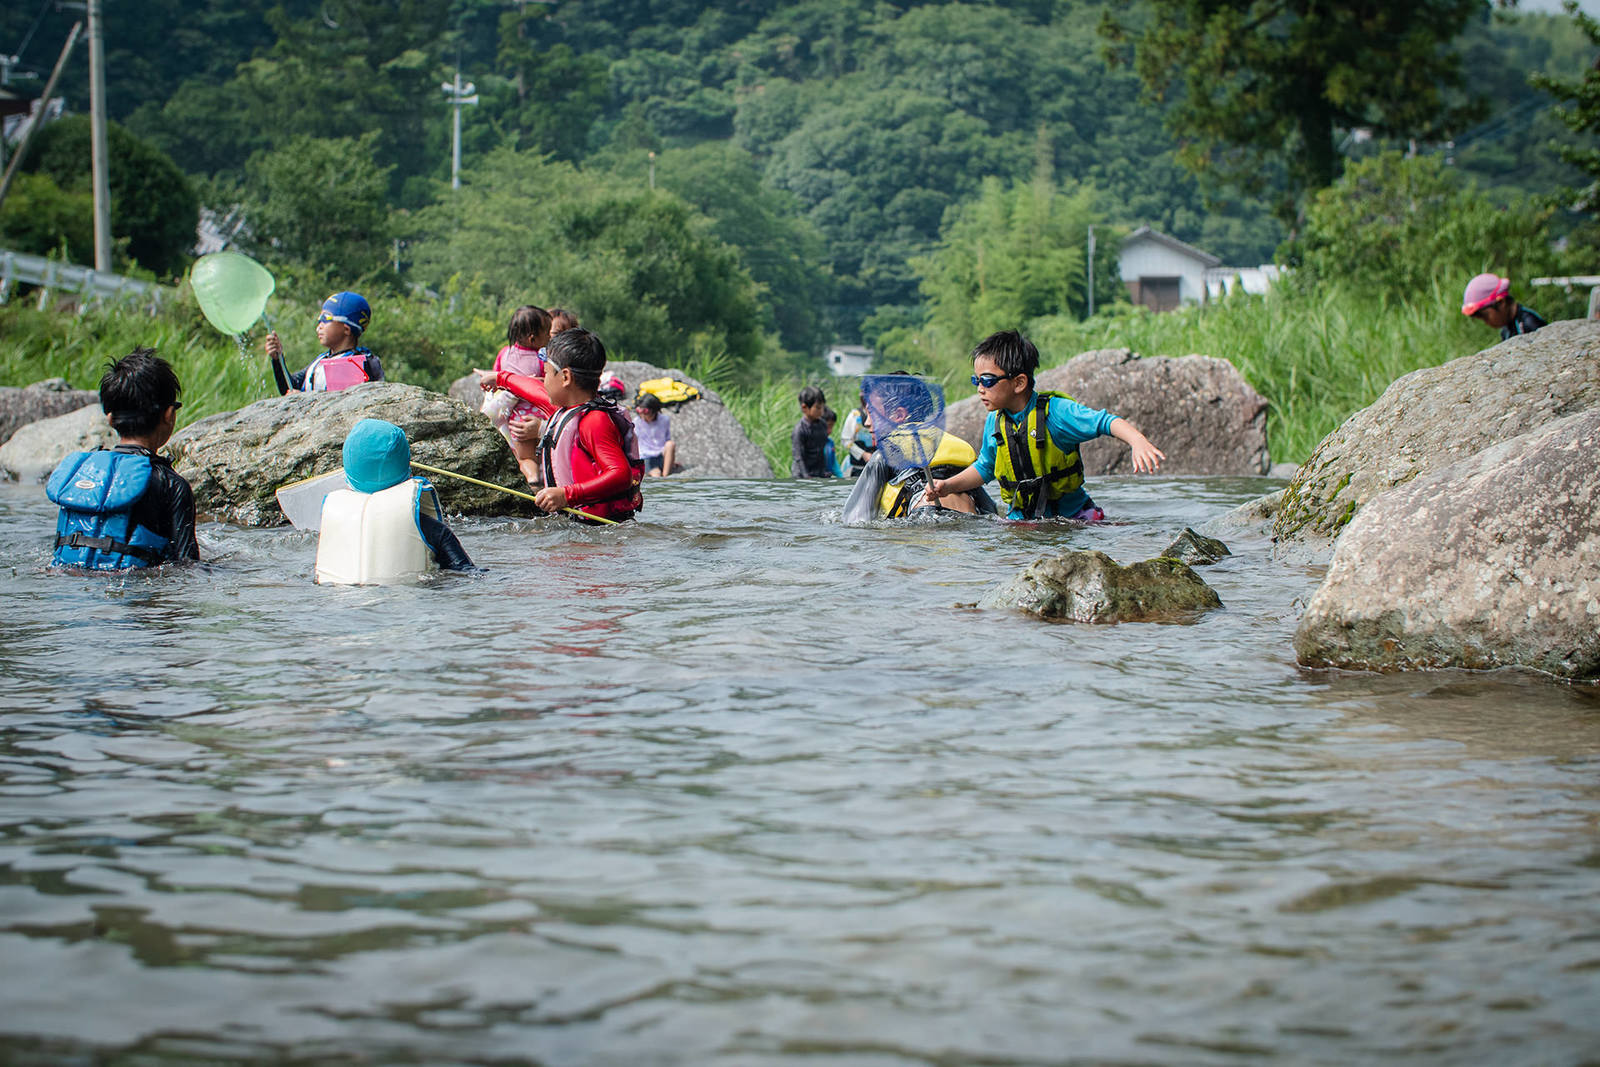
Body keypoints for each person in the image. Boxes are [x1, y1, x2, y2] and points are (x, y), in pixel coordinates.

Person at [924, 330, 1164, 521]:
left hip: (1075, 518)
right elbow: (985, 468)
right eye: (976, 380)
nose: (979, 388)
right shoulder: (996, 422)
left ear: (1019, 383)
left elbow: (1105, 422)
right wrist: (948, 486)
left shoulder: (1056, 412)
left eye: (987, 380)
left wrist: (1137, 441)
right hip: (1020, 520)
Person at [46, 347, 200, 569]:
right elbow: (189, 567)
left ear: (110, 419)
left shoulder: (83, 473)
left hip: (68, 585)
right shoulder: (171, 485)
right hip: (133, 592)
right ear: (169, 415)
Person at [474, 327, 644, 523]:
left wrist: (567, 495)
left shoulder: (594, 422)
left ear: (565, 377)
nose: (543, 380)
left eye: (546, 373)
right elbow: (533, 390)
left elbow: (620, 475)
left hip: (600, 533)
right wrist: (500, 378)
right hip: (579, 527)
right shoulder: (567, 409)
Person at [315, 418, 476, 584]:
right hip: (407, 600)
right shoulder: (430, 528)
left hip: (338, 601)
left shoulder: (335, 515)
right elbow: (467, 573)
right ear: (405, 465)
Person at [482, 305, 553, 485]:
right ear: (532, 338)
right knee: (544, 456)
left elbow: (497, 378)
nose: (549, 337)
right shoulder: (541, 357)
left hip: (517, 419)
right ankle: (546, 481)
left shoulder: (504, 353)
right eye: (547, 333)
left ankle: (532, 478)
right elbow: (549, 382)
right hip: (540, 415)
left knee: (525, 458)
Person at [264, 291, 383, 394]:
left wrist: (303, 400)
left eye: (326, 319)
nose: (319, 327)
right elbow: (290, 386)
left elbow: (340, 404)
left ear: (346, 329)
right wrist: (278, 359)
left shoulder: (357, 363)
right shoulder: (322, 360)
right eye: (319, 320)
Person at [1462, 273, 1547, 341]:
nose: (1486, 323)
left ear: (1501, 302)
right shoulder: (1505, 330)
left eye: (1486, 317)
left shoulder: (1530, 323)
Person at [632, 393, 677, 477]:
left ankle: (665, 476)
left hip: (660, 454)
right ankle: (660, 476)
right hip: (646, 457)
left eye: (646, 412)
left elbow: (667, 439)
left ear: (654, 410)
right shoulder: (637, 422)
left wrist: (670, 459)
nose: (643, 415)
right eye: (639, 411)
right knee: (656, 473)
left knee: (670, 444)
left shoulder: (664, 419)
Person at [791, 385, 831, 478]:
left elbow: (821, 452)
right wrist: (806, 476)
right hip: (802, 474)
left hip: (818, 473)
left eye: (822, 408)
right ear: (804, 407)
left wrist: (823, 472)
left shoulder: (823, 425)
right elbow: (798, 457)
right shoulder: (799, 430)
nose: (821, 412)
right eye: (817, 408)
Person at [840, 392, 875, 478]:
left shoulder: (879, 414)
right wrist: (863, 454)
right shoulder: (854, 416)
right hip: (857, 468)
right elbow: (846, 440)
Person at [822, 407, 845, 478]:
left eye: (831, 427)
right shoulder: (812, 443)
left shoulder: (830, 443)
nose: (830, 431)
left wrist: (842, 478)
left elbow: (834, 464)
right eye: (828, 426)